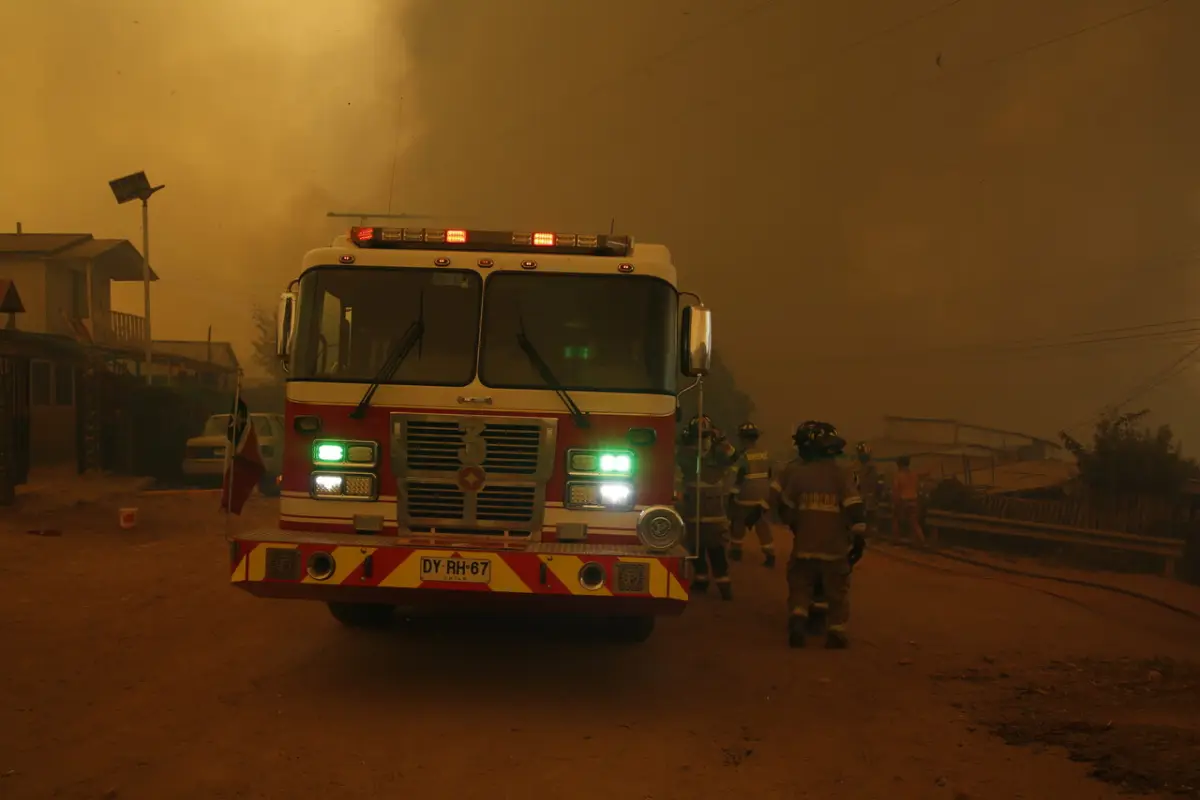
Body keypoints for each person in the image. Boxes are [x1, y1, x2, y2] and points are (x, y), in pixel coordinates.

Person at [771, 421, 867, 648]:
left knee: (800, 585)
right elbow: (855, 508)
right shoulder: (843, 474)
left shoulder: (798, 474)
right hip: (835, 549)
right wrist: (859, 538)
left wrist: (796, 524)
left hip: (804, 546)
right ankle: (836, 631)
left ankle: (798, 618)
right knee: (837, 591)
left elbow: (784, 506)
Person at [676, 415, 738, 600]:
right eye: (699, 438)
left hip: (713, 518)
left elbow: (733, 456)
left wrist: (722, 440)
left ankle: (724, 586)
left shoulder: (719, 457)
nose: (702, 442)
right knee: (696, 551)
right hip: (693, 516)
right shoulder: (686, 456)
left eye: (705, 437)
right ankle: (702, 580)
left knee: (716, 552)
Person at [728, 422, 776, 567]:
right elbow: (771, 475)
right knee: (762, 526)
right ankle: (770, 555)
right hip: (763, 498)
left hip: (745, 498)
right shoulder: (766, 454)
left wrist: (731, 496)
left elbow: (736, 478)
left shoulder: (743, 457)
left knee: (738, 523)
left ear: (743, 439)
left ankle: (736, 552)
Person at [891, 455, 926, 545]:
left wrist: (895, 503)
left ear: (899, 464)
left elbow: (896, 490)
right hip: (914, 500)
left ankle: (896, 540)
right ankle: (920, 540)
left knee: (895, 519)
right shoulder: (914, 474)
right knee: (914, 522)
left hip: (903, 500)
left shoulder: (898, 475)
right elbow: (918, 488)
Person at [853, 441, 883, 534]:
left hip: (869, 494)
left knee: (870, 513)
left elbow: (875, 482)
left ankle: (872, 530)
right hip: (863, 494)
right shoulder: (861, 467)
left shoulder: (870, 467)